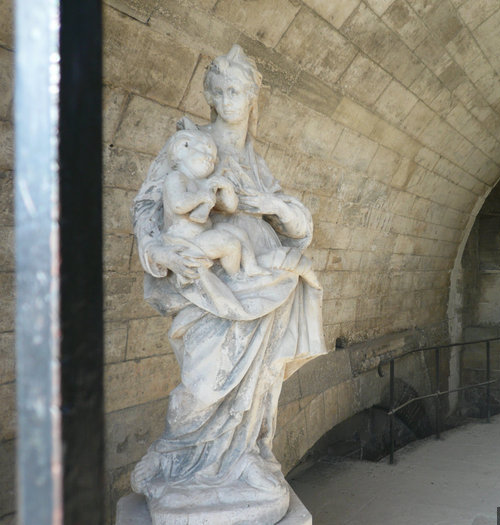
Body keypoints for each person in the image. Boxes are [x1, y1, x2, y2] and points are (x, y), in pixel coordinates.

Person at [131, 45, 325, 524]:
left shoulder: (256, 163)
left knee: (258, 388)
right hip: (206, 290)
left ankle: (243, 460)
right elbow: (145, 207)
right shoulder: (190, 144)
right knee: (201, 383)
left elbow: (297, 226)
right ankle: (175, 462)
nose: (230, 99)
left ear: (253, 96)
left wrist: (273, 206)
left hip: (263, 293)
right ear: (210, 96)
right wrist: (156, 251)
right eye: (221, 90)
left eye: (239, 90)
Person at [161, 128, 268, 287]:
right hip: (185, 240)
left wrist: (228, 190)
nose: (210, 159)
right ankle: (235, 278)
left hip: (203, 233)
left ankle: (251, 267)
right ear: (182, 148)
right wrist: (200, 197)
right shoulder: (176, 178)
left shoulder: (203, 183)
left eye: (213, 158)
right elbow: (178, 204)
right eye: (205, 152)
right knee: (229, 243)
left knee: (239, 233)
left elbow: (230, 208)